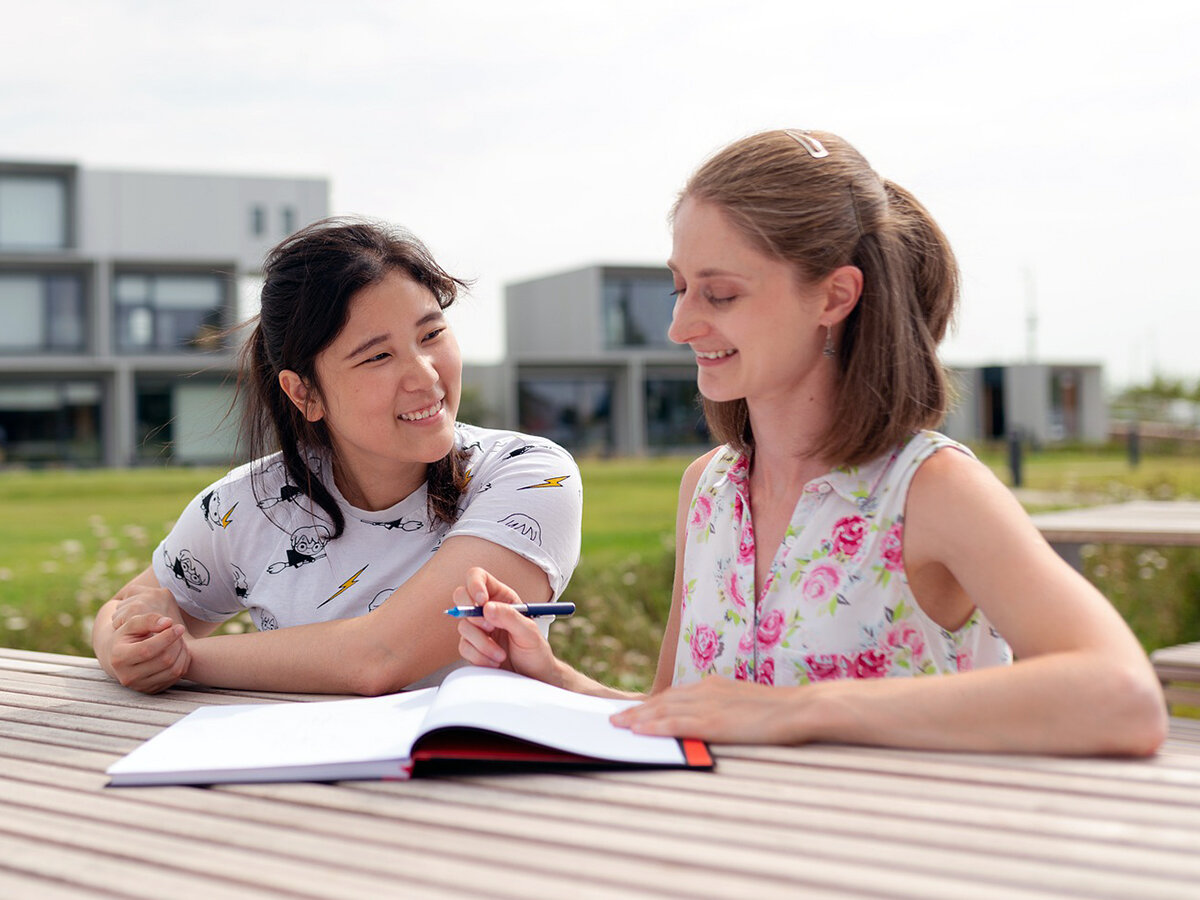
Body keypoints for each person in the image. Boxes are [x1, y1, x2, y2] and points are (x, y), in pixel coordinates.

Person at [456, 129, 1168, 756]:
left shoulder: (931, 490)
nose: (680, 325)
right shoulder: (707, 491)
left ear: (833, 297)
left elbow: (1124, 697)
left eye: (720, 293)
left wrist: (801, 712)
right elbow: (685, 717)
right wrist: (550, 677)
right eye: (678, 288)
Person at [93, 218, 581, 695]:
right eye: (377, 357)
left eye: (431, 335)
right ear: (304, 393)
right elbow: (123, 608)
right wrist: (129, 644)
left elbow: (381, 657)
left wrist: (183, 659)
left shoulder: (530, 474)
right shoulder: (247, 505)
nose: (426, 376)